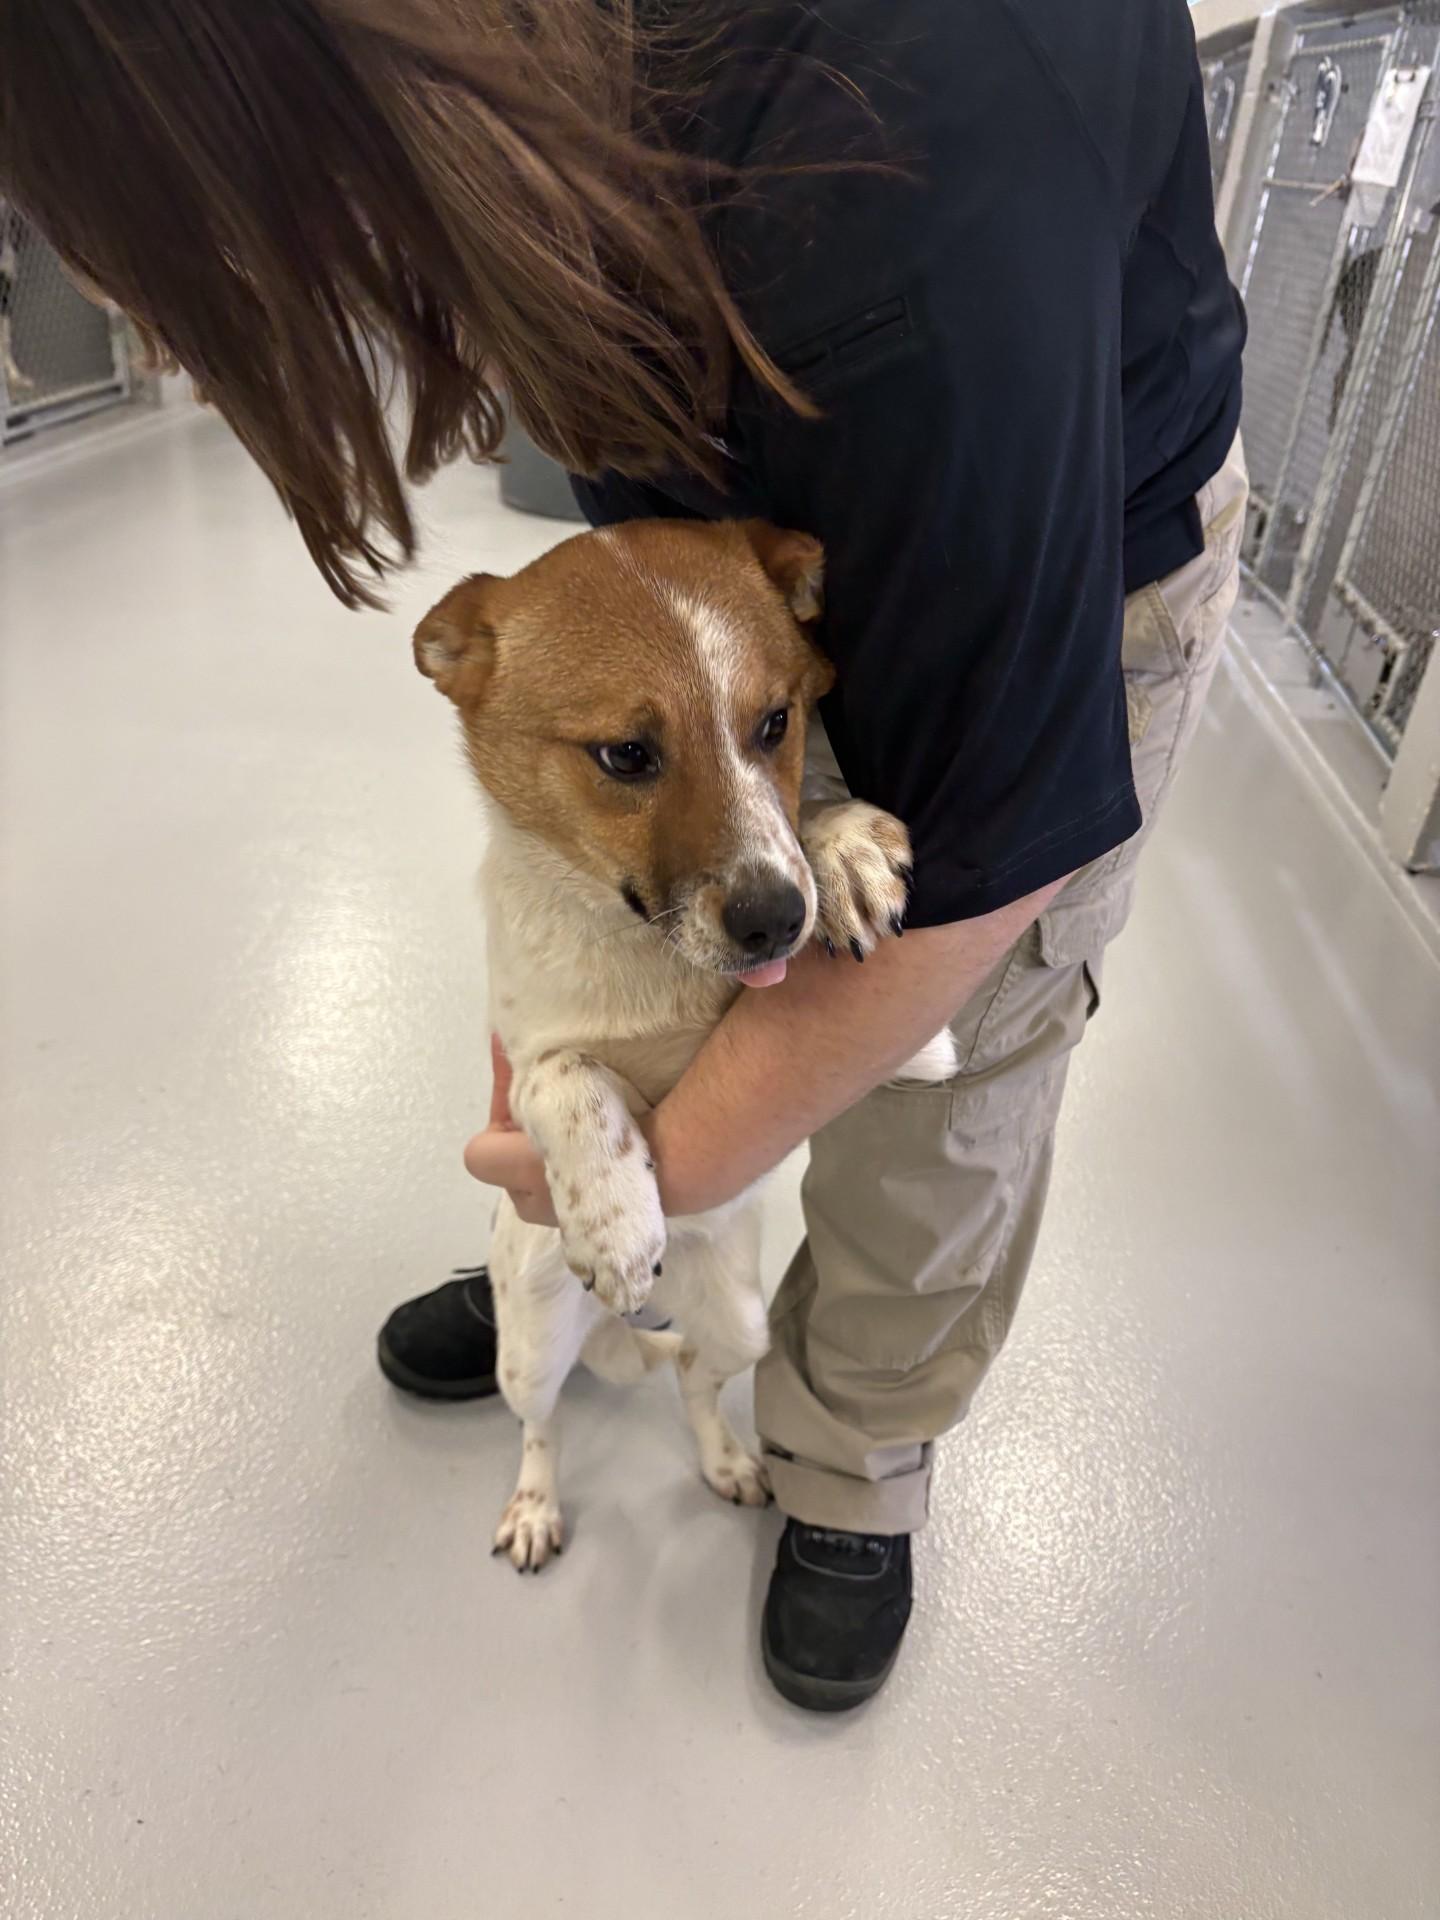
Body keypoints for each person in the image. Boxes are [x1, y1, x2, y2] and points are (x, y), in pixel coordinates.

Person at [1, 0, 1245, 1710]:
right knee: (650, 922)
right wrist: (578, 1153)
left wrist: (668, 1159)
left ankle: (849, 1459)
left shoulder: (938, 93)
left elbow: (1004, 847)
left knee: (953, 1063)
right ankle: (586, 1246)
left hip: (1054, 501)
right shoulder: (541, 112)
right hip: (751, 484)